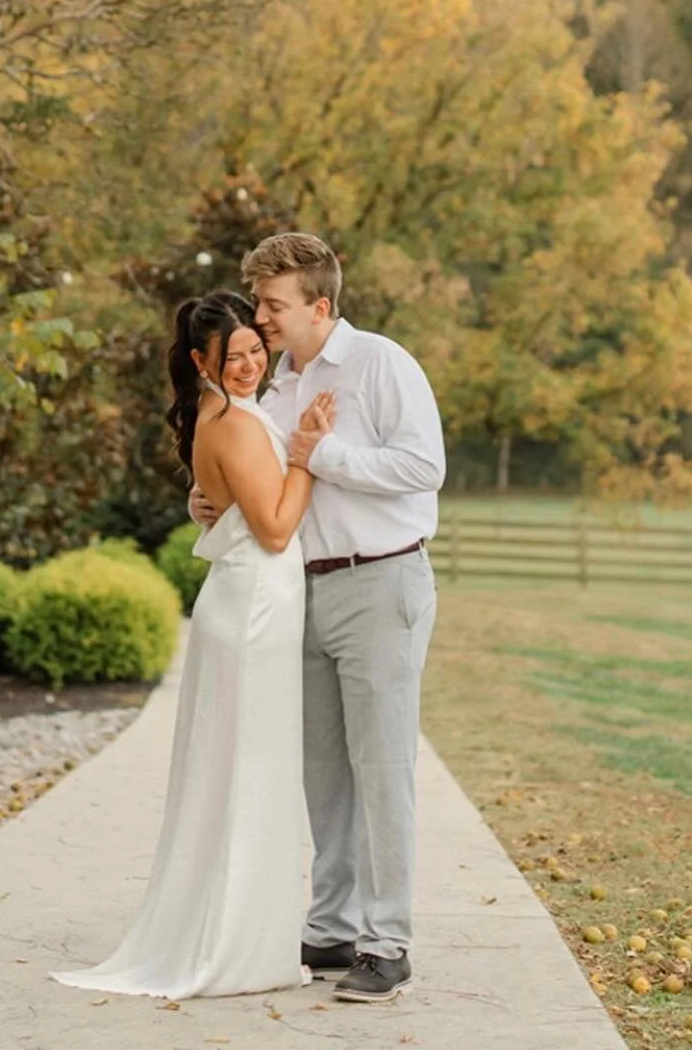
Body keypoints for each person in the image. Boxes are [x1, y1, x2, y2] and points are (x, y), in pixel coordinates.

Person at [51, 289, 334, 1000]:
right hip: (253, 611)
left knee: (241, 771)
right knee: (247, 772)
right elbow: (274, 529)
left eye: (253, 349)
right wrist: (304, 455)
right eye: (232, 355)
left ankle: (239, 935)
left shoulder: (228, 415)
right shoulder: (236, 421)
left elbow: (228, 503)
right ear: (202, 362)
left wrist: (217, 495)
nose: (248, 362)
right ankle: (233, 946)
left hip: (247, 604)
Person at [195, 232, 446, 1005]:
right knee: (325, 774)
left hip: (381, 585)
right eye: (261, 303)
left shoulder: (382, 364)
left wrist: (322, 453)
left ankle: (387, 943)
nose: (262, 319)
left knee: (382, 770)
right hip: (303, 591)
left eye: (273, 305)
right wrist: (205, 503)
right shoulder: (275, 388)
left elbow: (423, 467)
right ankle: (333, 925)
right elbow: (264, 481)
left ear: (320, 305)